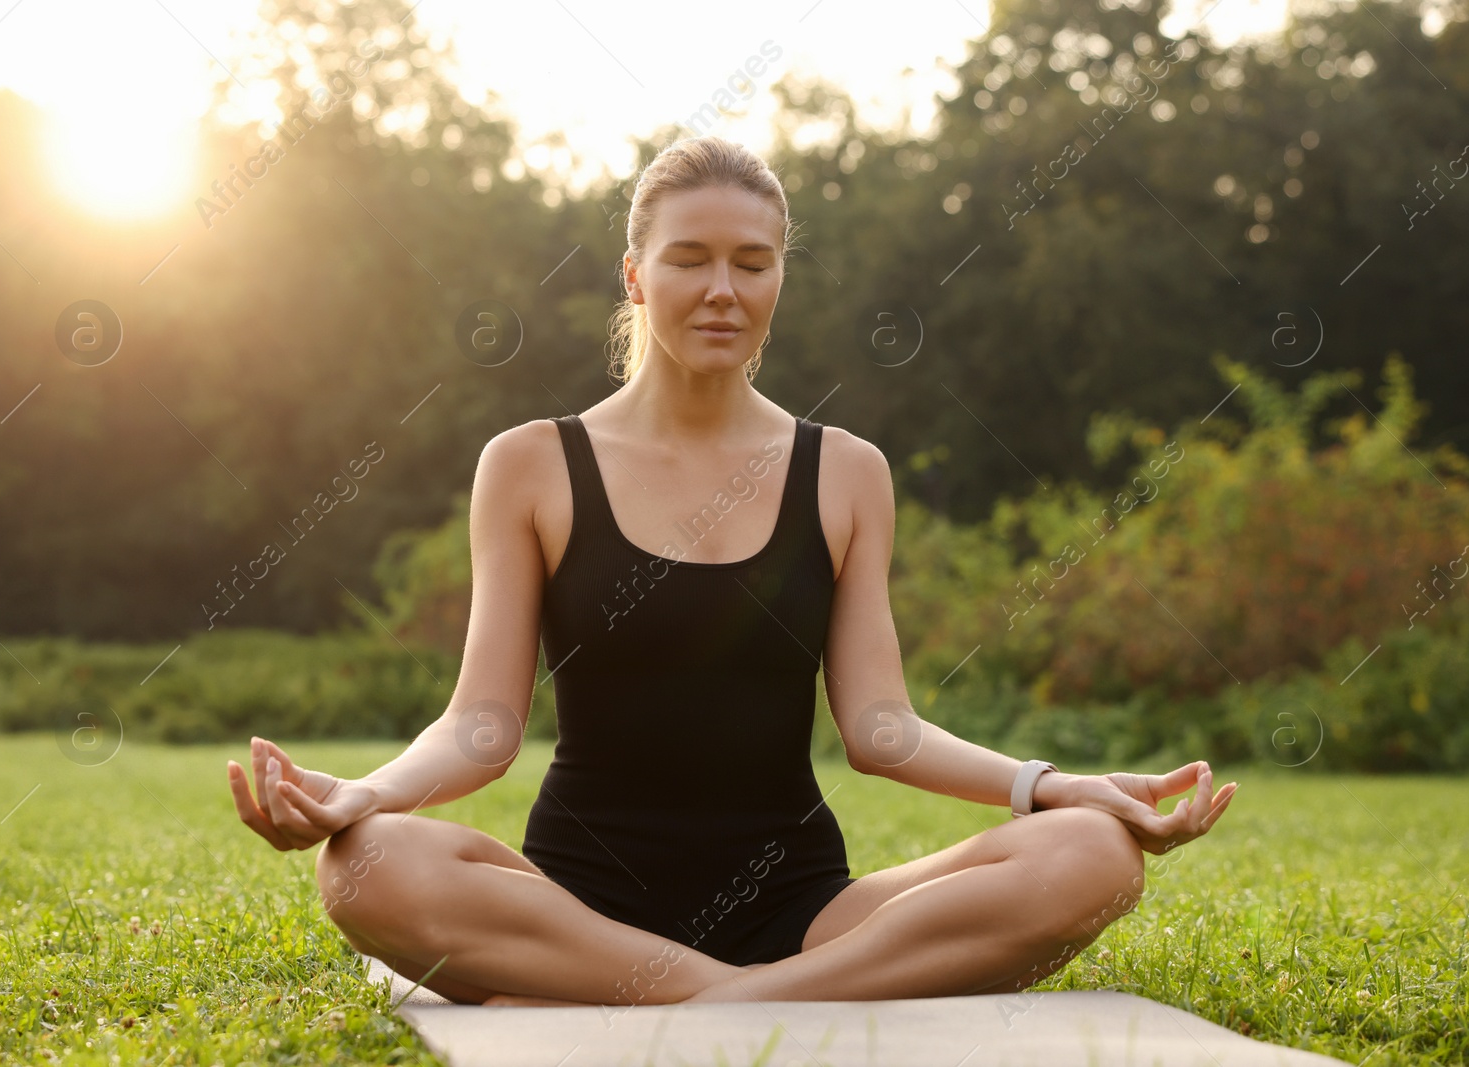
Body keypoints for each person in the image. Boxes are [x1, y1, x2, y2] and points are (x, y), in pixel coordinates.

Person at [227, 134, 1237, 1008]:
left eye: (752, 263)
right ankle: (753, 1002)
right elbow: (482, 728)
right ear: (635, 276)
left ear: (778, 278)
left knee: (1091, 852)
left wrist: (1057, 785)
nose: (722, 288)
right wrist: (366, 792)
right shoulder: (531, 463)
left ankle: (695, 999)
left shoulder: (844, 472)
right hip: (578, 906)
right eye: (690, 260)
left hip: (804, 908)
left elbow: (881, 730)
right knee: (366, 865)